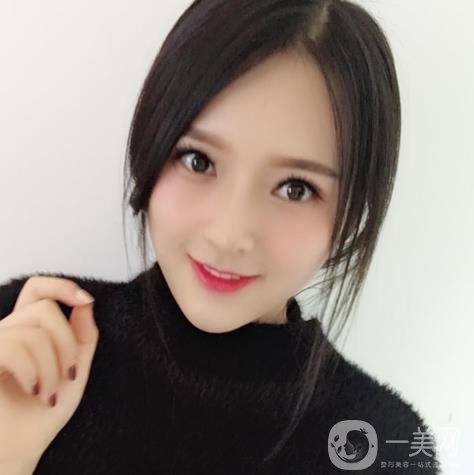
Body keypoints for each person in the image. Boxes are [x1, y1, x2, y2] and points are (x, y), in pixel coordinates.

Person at [0, 0, 441, 473]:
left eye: (295, 188)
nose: (229, 235)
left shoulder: (384, 446)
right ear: (150, 149)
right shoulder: (27, 341)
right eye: (198, 161)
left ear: (353, 215)